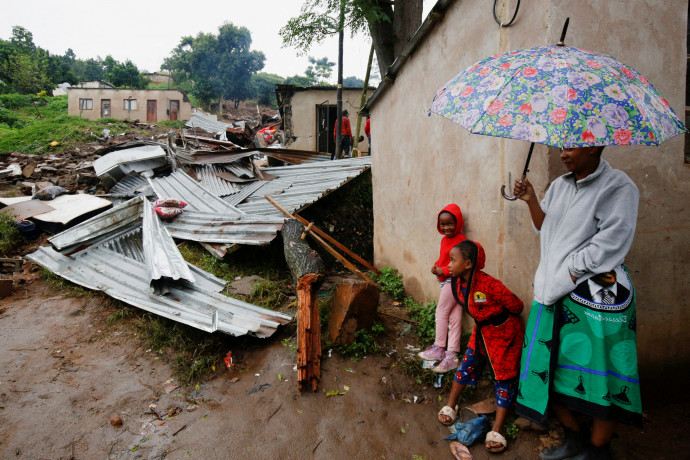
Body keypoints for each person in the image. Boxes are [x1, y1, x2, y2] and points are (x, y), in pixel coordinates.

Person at [512, 146, 641, 460]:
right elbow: (546, 229)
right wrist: (531, 201)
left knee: (601, 376)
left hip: (596, 297)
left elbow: (613, 238)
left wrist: (571, 269)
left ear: (595, 144)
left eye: (573, 144)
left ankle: (598, 451)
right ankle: (574, 439)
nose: (563, 152)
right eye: (562, 144)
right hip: (552, 290)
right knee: (548, 368)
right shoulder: (559, 186)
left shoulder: (618, 186)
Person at [437, 240, 525, 454]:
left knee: (503, 377)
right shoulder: (457, 283)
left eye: (453, 260)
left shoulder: (490, 284)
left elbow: (517, 305)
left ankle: (497, 428)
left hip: (504, 333)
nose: (448, 265)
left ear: (468, 264)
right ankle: (451, 404)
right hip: (482, 332)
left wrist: (495, 319)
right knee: (467, 365)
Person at [417, 204, 466, 373]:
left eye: (450, 223)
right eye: (443, 224)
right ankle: (452, 355)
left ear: (458, 223)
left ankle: (439, 347)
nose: (446, 228)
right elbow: (444, 259)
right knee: (454, 316)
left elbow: (458, 265)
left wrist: (443, 270)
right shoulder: (445, 240)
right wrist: (437, 266)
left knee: (441, 311)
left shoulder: (461, 242)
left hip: (455, 281)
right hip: (447, 280)